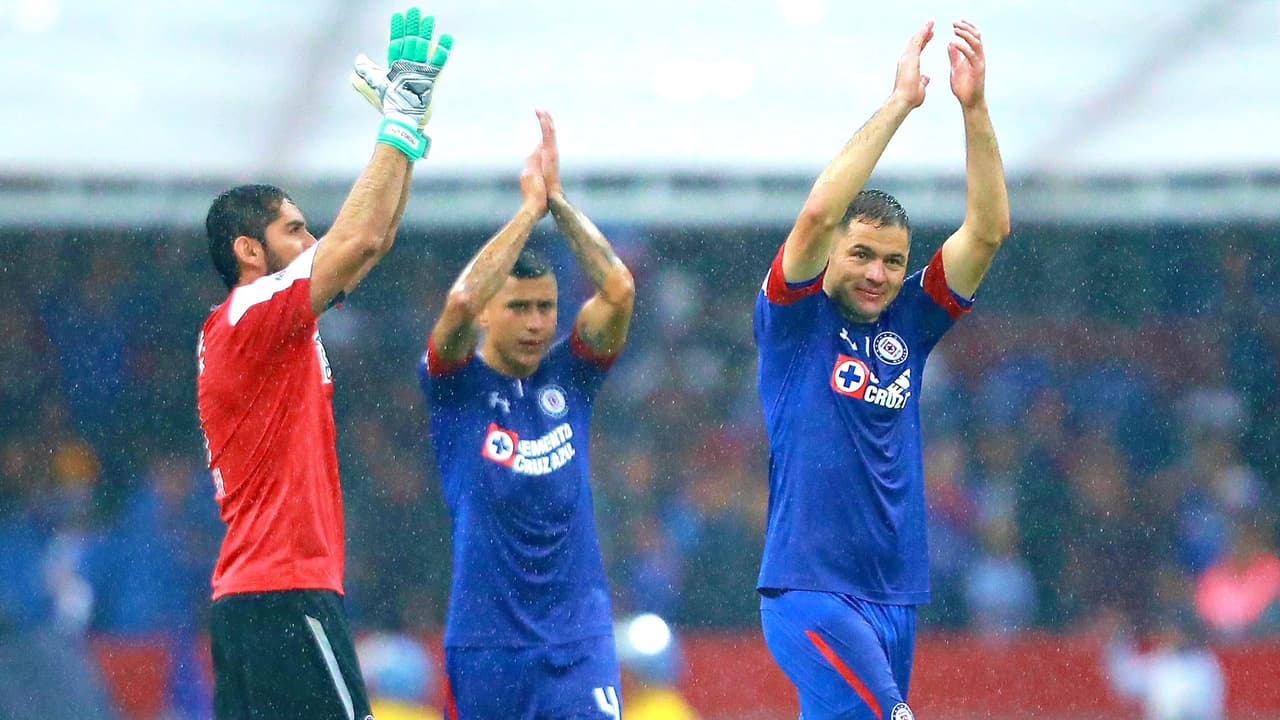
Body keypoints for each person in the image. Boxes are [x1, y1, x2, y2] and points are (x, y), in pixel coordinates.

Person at [195, 8, 451, 719]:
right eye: (294, 229)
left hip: (253, 598)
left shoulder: (262, 324)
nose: (312, 241)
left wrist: (405, 138)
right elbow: (356, 239)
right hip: (285, 595)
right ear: (249, 251)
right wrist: (396, 125)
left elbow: (373, 240)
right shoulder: (254, 310)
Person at [752, 19, 1010, 720]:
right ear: (832, 255)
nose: (877, 274)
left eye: (893, 261)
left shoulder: (910, 323)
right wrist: (901, 104)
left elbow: (987, 231)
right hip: (810, 592)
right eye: (861, 254)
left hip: (895, 595)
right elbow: (816, 214)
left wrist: (974, 109)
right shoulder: (794, 319)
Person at [417, 109, 635, 719]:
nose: (538, 323)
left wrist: (556, 203)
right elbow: (462, 301)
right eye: (519, 308)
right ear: (490, 314)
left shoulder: (572, 376)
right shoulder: (455, 386)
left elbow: (618, 290)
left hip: (578, 640)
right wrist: (525, 213)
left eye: (546, 307)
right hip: (486, 644)